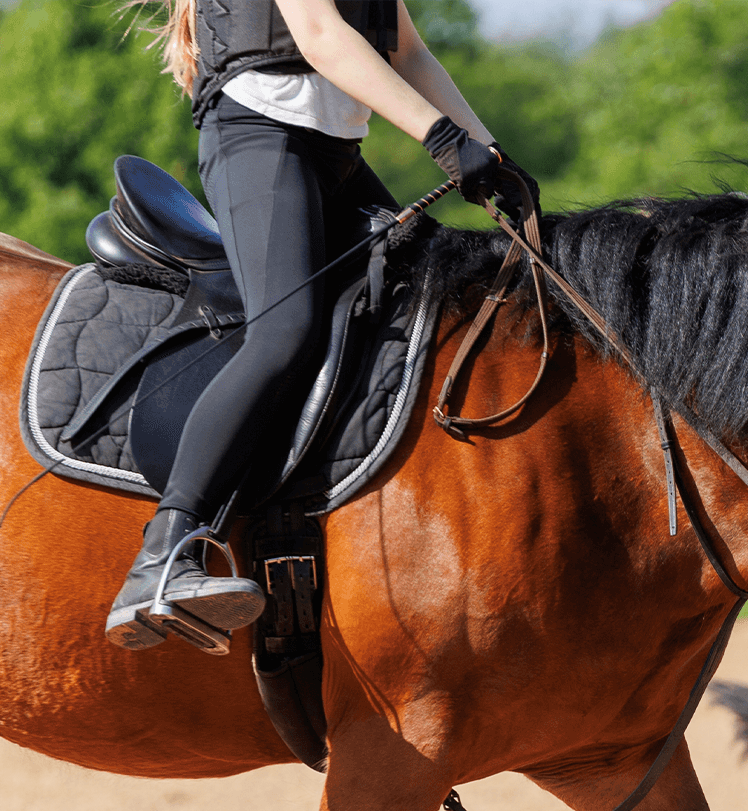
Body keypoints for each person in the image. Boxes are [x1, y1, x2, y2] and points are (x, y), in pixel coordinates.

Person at [106, 0, 538, 652]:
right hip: (258, 137)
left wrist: (489, 151)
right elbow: (318, 34)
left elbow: (409, 51)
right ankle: (165, 553)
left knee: (430, 310)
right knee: (285, 333)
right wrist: (446, 142)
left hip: (336, 154)